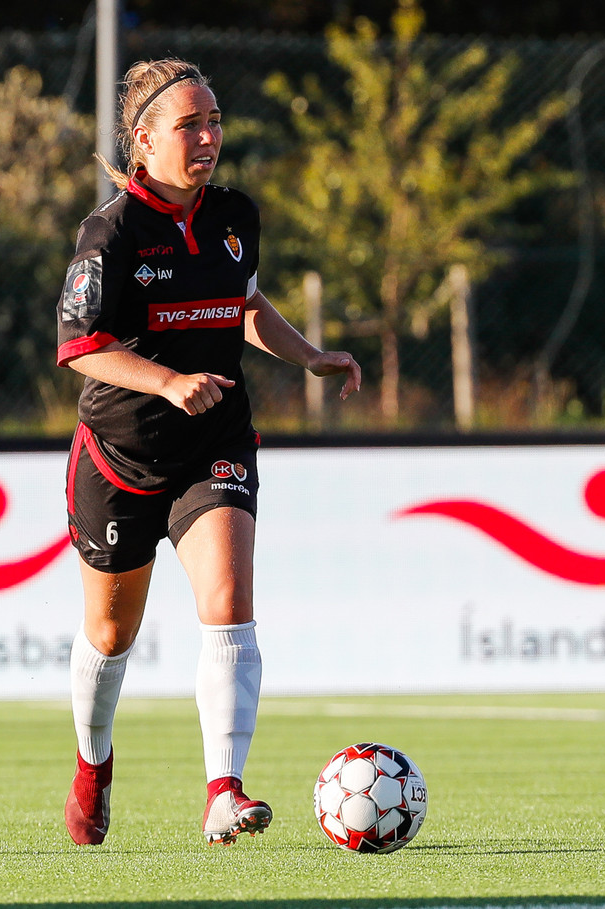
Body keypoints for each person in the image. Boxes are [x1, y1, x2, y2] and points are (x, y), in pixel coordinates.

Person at [55, 57, 361, 847]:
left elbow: (245, 303)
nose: (208, 137)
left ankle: (223, 790)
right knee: (111, 635)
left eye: (215, 121)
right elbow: (80, 347)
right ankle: (93, 763)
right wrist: (165, 381)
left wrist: (310, 356)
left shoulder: (234, 215)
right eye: (190, 124)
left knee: (227, 602)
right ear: (144, 139)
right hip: (119, 458)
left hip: (214, 443)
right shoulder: (110, 233)